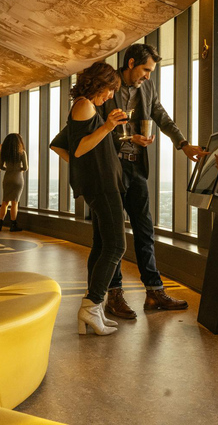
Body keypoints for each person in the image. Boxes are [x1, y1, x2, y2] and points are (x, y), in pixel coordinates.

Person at [98, 43, 208, 318]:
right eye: (146, 69)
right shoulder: (108, 85)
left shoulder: (147, 88)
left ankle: (154, 292)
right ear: (131, 63)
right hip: (112, 166)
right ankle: (115, 295)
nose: (148, 76)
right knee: (113, 234)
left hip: (136, 168)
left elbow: (160, 115)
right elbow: (95, 128)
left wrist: (183, 144)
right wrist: (126, 137)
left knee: (144, 230)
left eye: (151, 71)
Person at [66, 61, 128, 336]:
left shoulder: (86, 107)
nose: (111, 95)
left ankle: (93, 310)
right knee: (116, 246)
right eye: (110, 89)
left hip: (102, 183)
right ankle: (91, 307)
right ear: (98, 83)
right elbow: (78, 149)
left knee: (102, 245)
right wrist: (107, 126)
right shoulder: (84, 105)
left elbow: (61, 144)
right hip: (102, 186)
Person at [0, 133, 28, 232]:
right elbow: (26, 168)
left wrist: (8, 169)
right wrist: (19, 169)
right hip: (18, 178)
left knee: (4, 202)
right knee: (15, 203)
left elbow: (1, 166)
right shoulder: (22, 152)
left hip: (7, 178)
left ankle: (0, 225)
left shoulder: (4, 152)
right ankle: (13, 225)